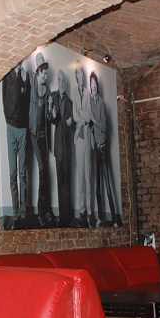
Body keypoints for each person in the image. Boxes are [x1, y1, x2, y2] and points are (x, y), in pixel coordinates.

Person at [88, 71, 120, 227]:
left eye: (95, 84)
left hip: (102, 146)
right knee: (97, 184)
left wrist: (94, 121)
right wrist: (92, 125)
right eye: (91, 85)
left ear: (97, 87)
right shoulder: (89, 102)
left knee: (108, 183)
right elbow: (89, 125)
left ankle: (115, 218)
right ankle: (100, 217)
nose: (93, 87)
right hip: (94, 147)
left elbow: (104, 126)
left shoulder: (101, 103)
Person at [1, 60, 30, 229]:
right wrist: (8, 119)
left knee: (22, 173)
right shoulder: (8, 76)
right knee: (12, 173)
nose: (19, 62)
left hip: (23, 129)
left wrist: (25, 82)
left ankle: (23, 212)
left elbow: (27, 101)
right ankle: (15, 211)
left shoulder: (25, 76)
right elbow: (4, 99)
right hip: (11, 127)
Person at [28, 52, 55, 226]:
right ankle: (40, 211)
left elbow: (49, 117)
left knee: (45, 172)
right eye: (44, 73)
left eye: (47, 74)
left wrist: (51, 107)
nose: (46, 76)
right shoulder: (32, 85)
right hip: (33, 135)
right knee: (42, 169)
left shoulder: (47, 91)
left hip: (44, 136)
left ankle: (46, 209)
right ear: (38, 72)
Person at [49, 70, 73, 227]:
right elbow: (53, 120)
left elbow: (70, 124)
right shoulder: (54, 97)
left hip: (67, 146)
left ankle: (67, 216)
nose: (61, 83)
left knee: (67, 182)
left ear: (65, 83)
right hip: (58, 146)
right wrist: (52, 109)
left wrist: (68, 122)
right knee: (60, 182)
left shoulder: (69, 102)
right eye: (59, 80)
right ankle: (62, 217)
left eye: (63, 80)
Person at [73, 67, 94, 228]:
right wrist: (82, 118)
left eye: (81, 75)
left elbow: (89, 115)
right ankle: (81, 210)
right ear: (76, 78)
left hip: (87, 134)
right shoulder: (75, 92)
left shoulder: (88, 93)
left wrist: (82, 118)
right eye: (78, 75)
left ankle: (90, 210)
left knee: (88, 174)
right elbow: (75, 115)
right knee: (80, 174)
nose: (80, 78)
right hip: (78, 137)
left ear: (84, 77)